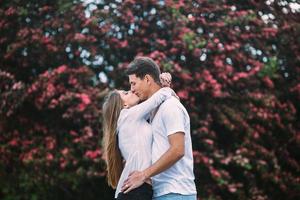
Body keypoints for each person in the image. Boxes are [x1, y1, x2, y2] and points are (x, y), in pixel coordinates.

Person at [121, 57, 197, 199]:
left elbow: (178, 150)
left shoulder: (170, 106)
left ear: (147, 79)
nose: (132, 89)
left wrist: (143, 175)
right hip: (162, 192)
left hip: (175, 192)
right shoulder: (155, 110)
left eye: (133, 83)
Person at [102, 73, 175, 200]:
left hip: (138, 190)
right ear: (124, 105)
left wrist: (164, 86)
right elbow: (158, 98)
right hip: (135, 191)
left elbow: (156, 105)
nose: (131, 90)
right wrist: (166, 89)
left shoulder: (135, 120)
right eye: (125, 93)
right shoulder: (126, 116)